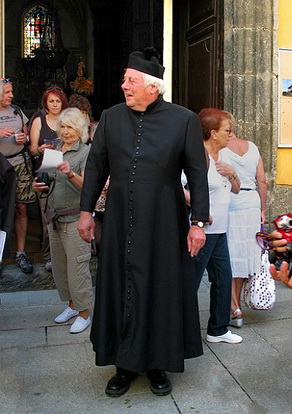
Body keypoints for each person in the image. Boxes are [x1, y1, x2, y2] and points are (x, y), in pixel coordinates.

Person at [77, 47, 210, 397]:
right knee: (120, 286)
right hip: (120, 219)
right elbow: (95, 167)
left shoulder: (184, 120)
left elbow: (197, 175)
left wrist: (198, 223)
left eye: (131, 80)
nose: (124, 85)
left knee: (160, 288)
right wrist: (85, 211)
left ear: (153, 87)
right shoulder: (111, 117)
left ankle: (157, 364)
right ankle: (123, 365)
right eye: (124, 79)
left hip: (165, 221)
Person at [184, 108, 242, 345]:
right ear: (213, 132)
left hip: (220, 231)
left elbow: (237, 189)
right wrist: (199, 210)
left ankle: (217, 330)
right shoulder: (197, 156)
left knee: (223, 279)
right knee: (191, 283)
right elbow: (177, 187)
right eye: (227, 130)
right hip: (201, 232)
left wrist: (233, 174)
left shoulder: (224, 157)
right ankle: (181, 332)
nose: (232, 134)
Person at [32, 108, 93, 334]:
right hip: (54, 217)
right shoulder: (55, 150)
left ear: (80, 130)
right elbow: (46, 182)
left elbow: (88, 188)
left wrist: (70, 174)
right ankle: (71, 306)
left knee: (77, 267)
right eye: (63, 127)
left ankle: (85, 313)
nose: (66, 132)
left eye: (71, 127)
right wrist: (37, 186)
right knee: (60, 268)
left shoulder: (86, 152)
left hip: (75, 218)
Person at [224, 113, 268, 327]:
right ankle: (235, 306)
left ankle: (234, 308)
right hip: (252, 203)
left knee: (232, 257)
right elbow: (263, 181)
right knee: (242, 257)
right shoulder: (252, 146)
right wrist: (262, 209)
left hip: (232, 202)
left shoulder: (221, 149)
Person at [29, 85, 68, 271]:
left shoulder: (67, 119)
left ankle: (63, 256)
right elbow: (32, 148)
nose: (54, 104)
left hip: (64, 170)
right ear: (46, 102)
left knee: (64, 215)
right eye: (51, 101)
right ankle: (48, 256)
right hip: (44, 171)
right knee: (47, 219)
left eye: (58, 101)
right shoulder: (39, 120)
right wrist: (40, 149)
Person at [0, 78, 36, 273]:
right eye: (7, 92)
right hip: (1, 166)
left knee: (21, 208)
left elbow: (28, 135)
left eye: (11, 91)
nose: (11, 95)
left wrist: (25, 137)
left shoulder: (16, 111)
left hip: (20, 163)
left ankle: (21, 253)